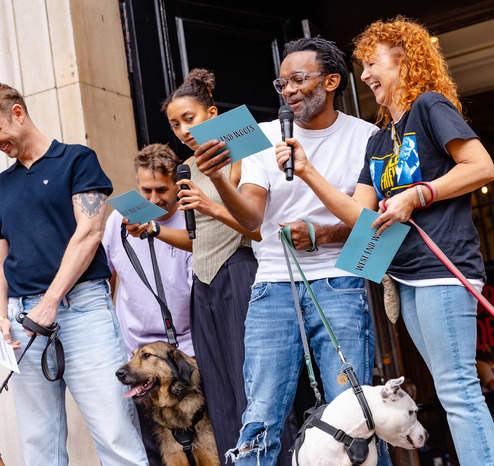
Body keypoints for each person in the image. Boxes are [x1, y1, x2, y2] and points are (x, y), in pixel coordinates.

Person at [275, 17, 494, 464]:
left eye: (373, 63)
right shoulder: (379, 139)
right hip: (406, 277)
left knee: (457, 389)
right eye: (362, 66)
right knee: (447, 385)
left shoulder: (430, 107)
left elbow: (481, 166)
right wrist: (306, 172)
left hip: (444, 270)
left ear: (406, 62)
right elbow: (360, 216)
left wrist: (419, 194)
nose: (364, 76)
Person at [192, 37, 385, 466]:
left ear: (331, 81)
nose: (289, 90)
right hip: (272, 289)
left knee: (352, 412)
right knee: (259, 415)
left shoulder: (368, 137)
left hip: (340, 283)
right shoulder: (262, 137)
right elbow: (250, 221)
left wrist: (322, 234)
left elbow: (375, 228)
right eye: (282, 84)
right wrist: (220, 179)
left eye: (299, 79)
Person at [125, 68, 295, 465]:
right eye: (175, 123)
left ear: (213, 113)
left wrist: (212, 192)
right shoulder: (187, 164)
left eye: (190, 119)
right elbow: (198, 237)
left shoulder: (243, 150)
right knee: (218, 388)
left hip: (240, 272)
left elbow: (251, 225)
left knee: (251, 380)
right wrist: (153, 229)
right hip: (205, 285)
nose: (183, 130)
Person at [0, 83, 147, 465]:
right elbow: (0, 256)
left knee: (115, 433)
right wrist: (1, 316)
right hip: (20, 320)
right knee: (38, 445)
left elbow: (91, 232)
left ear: (17, 113)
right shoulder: (0, 185)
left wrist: (49, 304)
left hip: (82, 309)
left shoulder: (78, 160)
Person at [102, 143, 194, 466]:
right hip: (136, 354)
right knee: (148, 449)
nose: (153, 200)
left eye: (161, 190)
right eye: (146, 190)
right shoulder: (118, 222)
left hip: (185, 355)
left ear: (177, 184)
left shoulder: (191, 216)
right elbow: (108, 277)